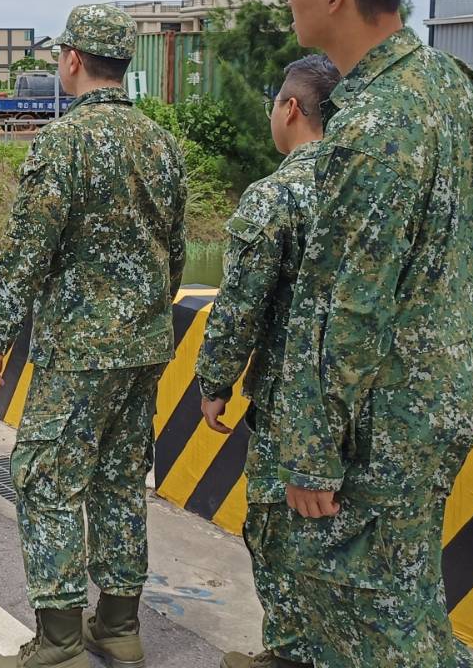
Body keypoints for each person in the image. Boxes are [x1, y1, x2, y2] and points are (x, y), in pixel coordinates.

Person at [265, 0, 473, 667]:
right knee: (406, 588)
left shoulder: (369, 125)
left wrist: (312, 453)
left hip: (394, 401)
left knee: (367, 606)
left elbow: (347, 306)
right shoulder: (446, 80)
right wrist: (451, 263)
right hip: (453, 375)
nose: (287, 2)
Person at [0, 4, 187, 668]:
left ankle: (61, 639)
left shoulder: (61, 143)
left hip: (78, 349)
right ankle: (119, 627)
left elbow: (27, 250)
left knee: (46, 477)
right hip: (145, 343)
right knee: (121, 478)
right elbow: (175, 251)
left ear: (73, 61)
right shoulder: (162, 144)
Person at [193, 54, 340, 668]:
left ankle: (289, 655)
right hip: (375, 400)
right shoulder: (374, 185)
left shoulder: (277, 194)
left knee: (280, 533)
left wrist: (214, 381)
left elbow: (240, 306)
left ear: (290, 108)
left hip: (294, 406)